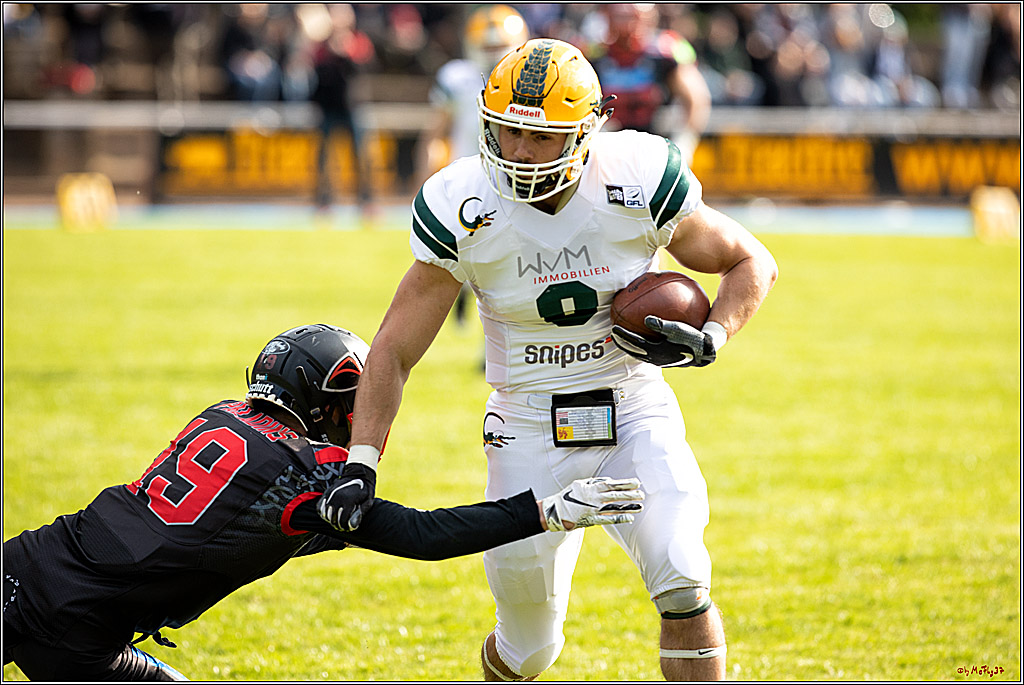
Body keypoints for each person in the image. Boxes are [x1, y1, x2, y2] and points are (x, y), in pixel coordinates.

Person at [331, 38, 778, 681]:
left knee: (683, 577)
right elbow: (394, 350)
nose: (518, 152)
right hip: (527, 423)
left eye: (540, 137)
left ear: (587, 130)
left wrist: (714, 335)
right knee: (529, 647)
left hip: (633, 404)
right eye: (508, 131)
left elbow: (750, 259)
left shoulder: (636, 175)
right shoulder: (462, 203)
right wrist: (362, 461)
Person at [2, 323, 643, 681]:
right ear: (322, 402)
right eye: (349, 402)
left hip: (27, 569)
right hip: (79, 623)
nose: (355, 417)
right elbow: (422, 536)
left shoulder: (222, 415)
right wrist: (545, 510)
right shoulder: (303, 477)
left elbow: (225, 525)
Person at [417, 4, 529, 329]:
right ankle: (465, 295)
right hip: (467, 178)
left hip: (516, 175)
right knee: (463, 251)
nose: (494, 53)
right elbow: (435, 132)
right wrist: (426, 179)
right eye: (487, 46)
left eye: (500, 45)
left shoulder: (530, 79)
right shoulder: (457, 78)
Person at [586, 3, 711, 165]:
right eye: (619, 16)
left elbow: (696, 98)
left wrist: (685, 141)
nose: (625, 24)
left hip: (656, 148)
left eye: (630, 17)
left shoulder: (667, 50)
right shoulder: (593, 54)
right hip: (607, 150)